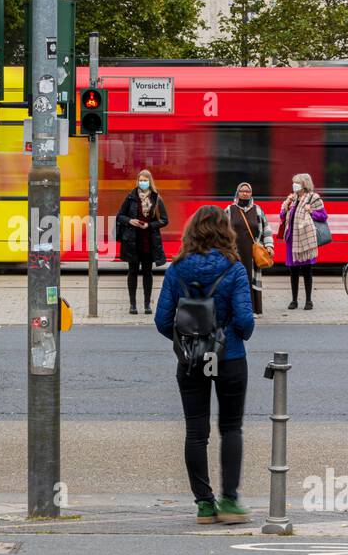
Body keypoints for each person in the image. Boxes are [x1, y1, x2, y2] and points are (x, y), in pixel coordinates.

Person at [154, 205, 255, 526]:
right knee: (231, 428)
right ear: (225, 231)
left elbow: (161, 320)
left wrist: (185, 335)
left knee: (196, 433)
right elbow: (245, 322)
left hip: (191, 358)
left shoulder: (177, 268)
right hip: (230, 358)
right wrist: (232, 335)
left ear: (191, 231)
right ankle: (230, 501)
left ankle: (204, 505)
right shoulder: (235, 268)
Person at [116, 170, 169, 314]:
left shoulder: (157, 199)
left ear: (150, 181)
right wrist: (130, 221)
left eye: (145, 180)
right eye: (140, 180)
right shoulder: (131, 197)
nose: (142, 182)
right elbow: (120, 216)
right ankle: (132, 305)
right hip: (132, 242)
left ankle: (147, 304)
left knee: (147, 272)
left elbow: (164, 220)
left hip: (148, 242)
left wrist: (149, 225)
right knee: (132, 272)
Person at [278, 173, 328, 311]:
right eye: (294, 182)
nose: (294, 185)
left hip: (305, 240)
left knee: (307, 271)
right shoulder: (293, 198)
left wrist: (311, 211)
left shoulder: (313, 198)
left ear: (304, 184)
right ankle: (294, 300)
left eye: (297, 182)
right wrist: (286, 205)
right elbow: (282, 216)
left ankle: (308, 301)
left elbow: (323, 216)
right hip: (291, 239)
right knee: (293, 272)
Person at [226, 182, 274, 315]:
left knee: (251, 278)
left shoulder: (258, 210)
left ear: (251, 193)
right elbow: (222, 230)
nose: (245, 193)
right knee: (237, 279)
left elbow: (266, 230)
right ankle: (236, 310)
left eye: (248, 191)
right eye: (242, 191)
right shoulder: (229, 210)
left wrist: (269, 246)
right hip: (235, 252)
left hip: (253, 252)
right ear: (238, 192)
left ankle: (253, 310)